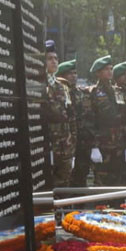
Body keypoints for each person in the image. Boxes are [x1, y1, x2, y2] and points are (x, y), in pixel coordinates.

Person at [84, 55, 126, 186]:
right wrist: (94, 147)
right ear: (98, 72)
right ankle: (102, 207)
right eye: (106, 69)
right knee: (102, 183)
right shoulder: (92, 92)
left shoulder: (118, 91)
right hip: (103, 146)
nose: (110, 71)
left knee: (119, 182)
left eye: (111, 68)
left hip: (119, 146)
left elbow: (125, 120)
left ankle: (117, 207)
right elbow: (89, 121)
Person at [44, 41, 76, 187]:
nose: (54, 61)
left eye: (56, 58)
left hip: (65, 147)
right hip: (48, 146)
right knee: (48, 188)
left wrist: (72, 147)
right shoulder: (38, 85)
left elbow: (70, 117)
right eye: (50, 58)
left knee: (64, 187)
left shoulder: (62, 87)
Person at [59, 59, 92, 187]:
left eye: (75, 73)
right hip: (66, 142)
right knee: (66, 179)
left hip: (82, 142)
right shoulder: (59, 93)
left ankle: (81, 206)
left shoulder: (81, 93)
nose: (74, 76)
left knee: (81, 176)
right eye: (70, 73)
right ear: (61, 76)